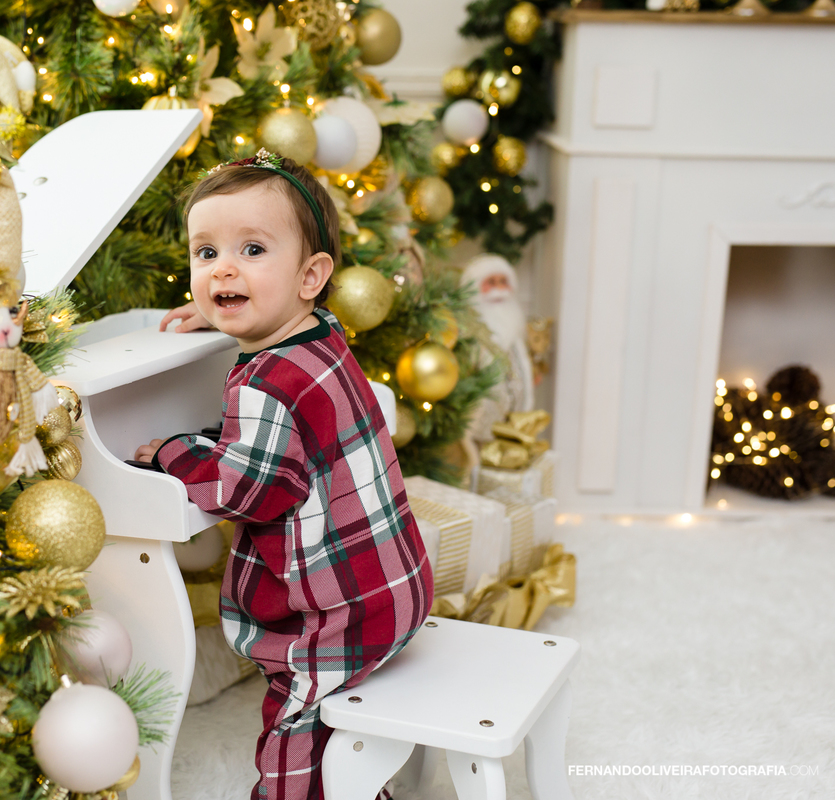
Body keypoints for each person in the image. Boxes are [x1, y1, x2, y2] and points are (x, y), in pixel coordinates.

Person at [133, 150, 432, 800]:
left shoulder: (266, 383)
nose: (224, 268)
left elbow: (244, 488)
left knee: (299, 727)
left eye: (252, 249)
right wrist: (222, 315)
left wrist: (172, 452)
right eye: (206, 253)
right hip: (397, 589)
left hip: (336, 619)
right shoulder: (320, 333)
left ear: (311, 276)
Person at [461, 254, 534, 444]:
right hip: (478, 429)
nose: (499, 289)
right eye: (491, 282)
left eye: (503, 282)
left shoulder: (515, 331)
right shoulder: (468, 333)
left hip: (514, 425)